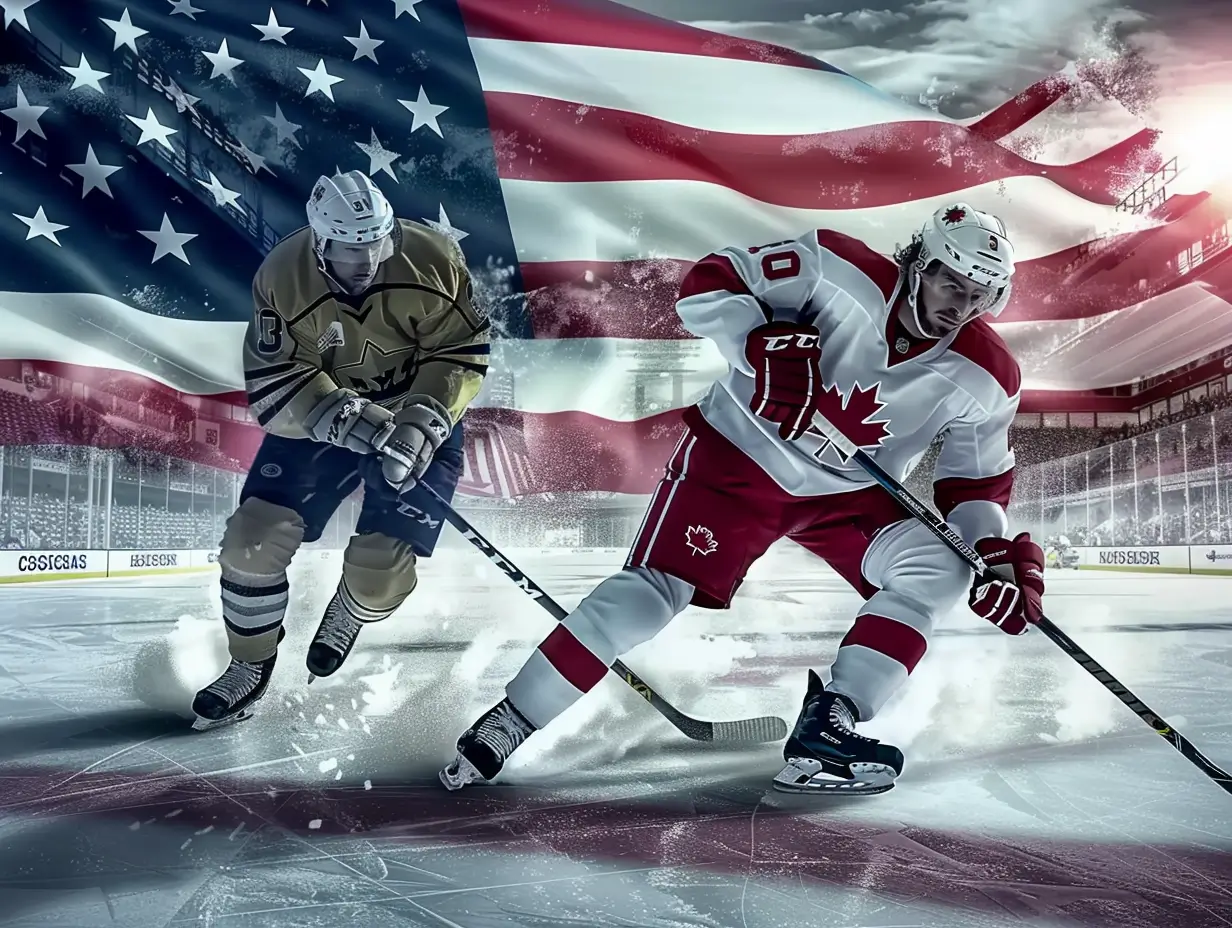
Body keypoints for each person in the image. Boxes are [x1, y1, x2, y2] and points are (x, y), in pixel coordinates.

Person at [440, 203, 1045, 795]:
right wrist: (760, 343)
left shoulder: (989, 375)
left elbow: (975, 483)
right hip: (740, 458)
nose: (958, 306)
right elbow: (709, 281)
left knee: (939, 566)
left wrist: (989, 552)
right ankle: (511, 719)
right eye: (950, 282)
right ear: (919, 263)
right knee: (651, 592)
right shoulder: (838, 267)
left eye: (977, 295)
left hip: (850, 493)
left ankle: (830, 720)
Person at [191, 170, 489, 730]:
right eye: (351, 249)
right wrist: (337, 414)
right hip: (326, 418)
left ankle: (351, 609)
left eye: (376, 243)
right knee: (252, 541)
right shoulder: (282, 276)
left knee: (380, 575)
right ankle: (248, 666)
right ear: (320, 242)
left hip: (416, 415)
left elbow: (463, 351)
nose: (367, 260)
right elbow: (275, 382)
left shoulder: (432, 258)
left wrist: (423, 421)